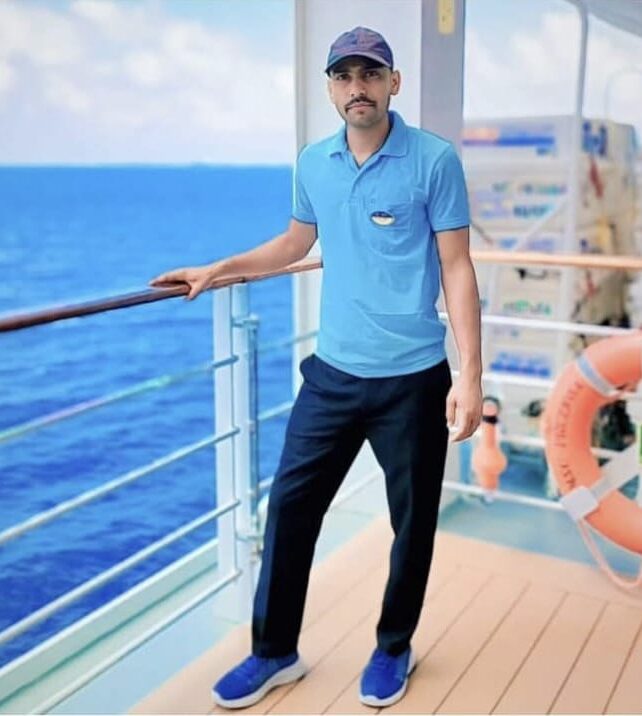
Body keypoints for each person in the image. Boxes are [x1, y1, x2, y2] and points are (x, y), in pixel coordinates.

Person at [150, 26, 482, 710]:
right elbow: (294, 243)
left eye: (371, 74)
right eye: (344, 76)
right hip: (331, 376)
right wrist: (219, 269)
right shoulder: (313, 163)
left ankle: (393, 646)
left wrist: (471, 377)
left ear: (393, 83)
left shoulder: (434, 160)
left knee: (412, 524)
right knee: (289, 509)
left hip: (414, 379)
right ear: (331, 89)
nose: (357, 87)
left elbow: (456, 266)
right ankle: (275, 651)